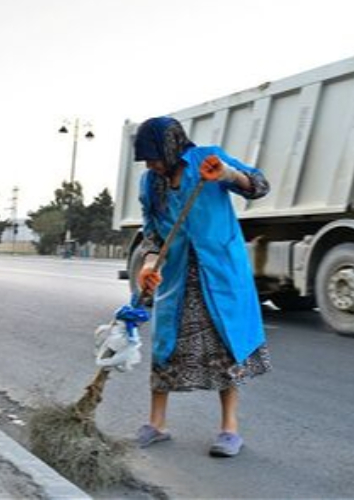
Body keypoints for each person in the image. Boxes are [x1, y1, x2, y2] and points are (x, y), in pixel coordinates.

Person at [133, 116, 271, 458]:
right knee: (165, 348)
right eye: (146, 159)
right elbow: (152, 232)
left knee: (224, 350)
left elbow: (258, 185)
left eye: (154, 156)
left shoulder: (208, 159)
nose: (150, 164)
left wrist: (227, 174)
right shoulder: (150, 183)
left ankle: (229, 429)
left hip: (219, 273)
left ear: (171, 147)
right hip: (178, 276)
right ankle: (157, 424)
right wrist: (150, 265)